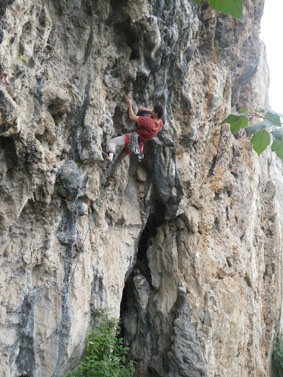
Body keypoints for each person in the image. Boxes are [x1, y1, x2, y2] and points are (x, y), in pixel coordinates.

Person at [105, 97, 163, 162]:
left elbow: (132, 117)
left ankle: (110, 156)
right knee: (119, 160)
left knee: (112, 142)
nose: (151, 111)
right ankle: (114, 172)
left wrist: (129, 104)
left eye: (152, 110)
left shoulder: (148, 121)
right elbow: (154, 115)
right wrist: (145, 110)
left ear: (156, 114)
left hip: (131, 138)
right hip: (136, 145)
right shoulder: (160, 123)